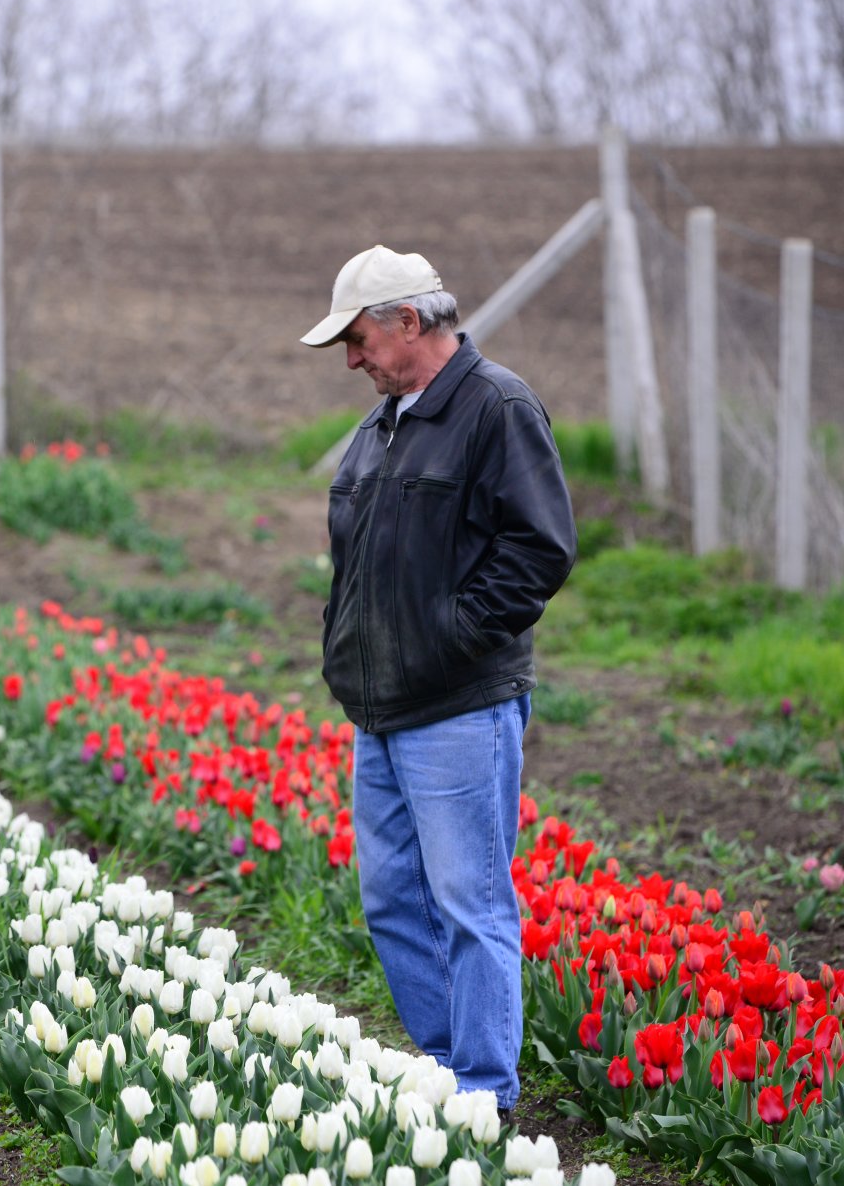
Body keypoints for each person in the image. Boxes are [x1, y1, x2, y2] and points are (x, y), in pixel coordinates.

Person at [303, 244, 577, 1116]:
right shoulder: (381, 426)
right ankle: (445, 1069)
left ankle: (486, 1092)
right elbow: (355, 562)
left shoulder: (496, 407)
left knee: (469, 901)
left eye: (357, 340)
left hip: (457, 701)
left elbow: (539, 548)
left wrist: (450, 638)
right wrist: (348, 647)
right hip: (379, 706)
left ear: (408, 321)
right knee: (391, 899)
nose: (352, 360)